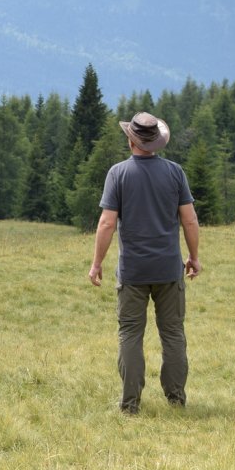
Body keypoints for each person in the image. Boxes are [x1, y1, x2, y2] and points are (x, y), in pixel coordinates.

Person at [88, 111, 201, 415]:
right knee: (173, 334)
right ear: (156, 142)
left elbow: (106, 223)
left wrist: (96, 263)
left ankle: (130, 404)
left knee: (130, 335)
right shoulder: (175, 172)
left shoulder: (118, 174)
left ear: (131, 140)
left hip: (133, 271)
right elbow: (190, 220)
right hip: (169, 269)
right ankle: (176, 399)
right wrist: (193, 257)